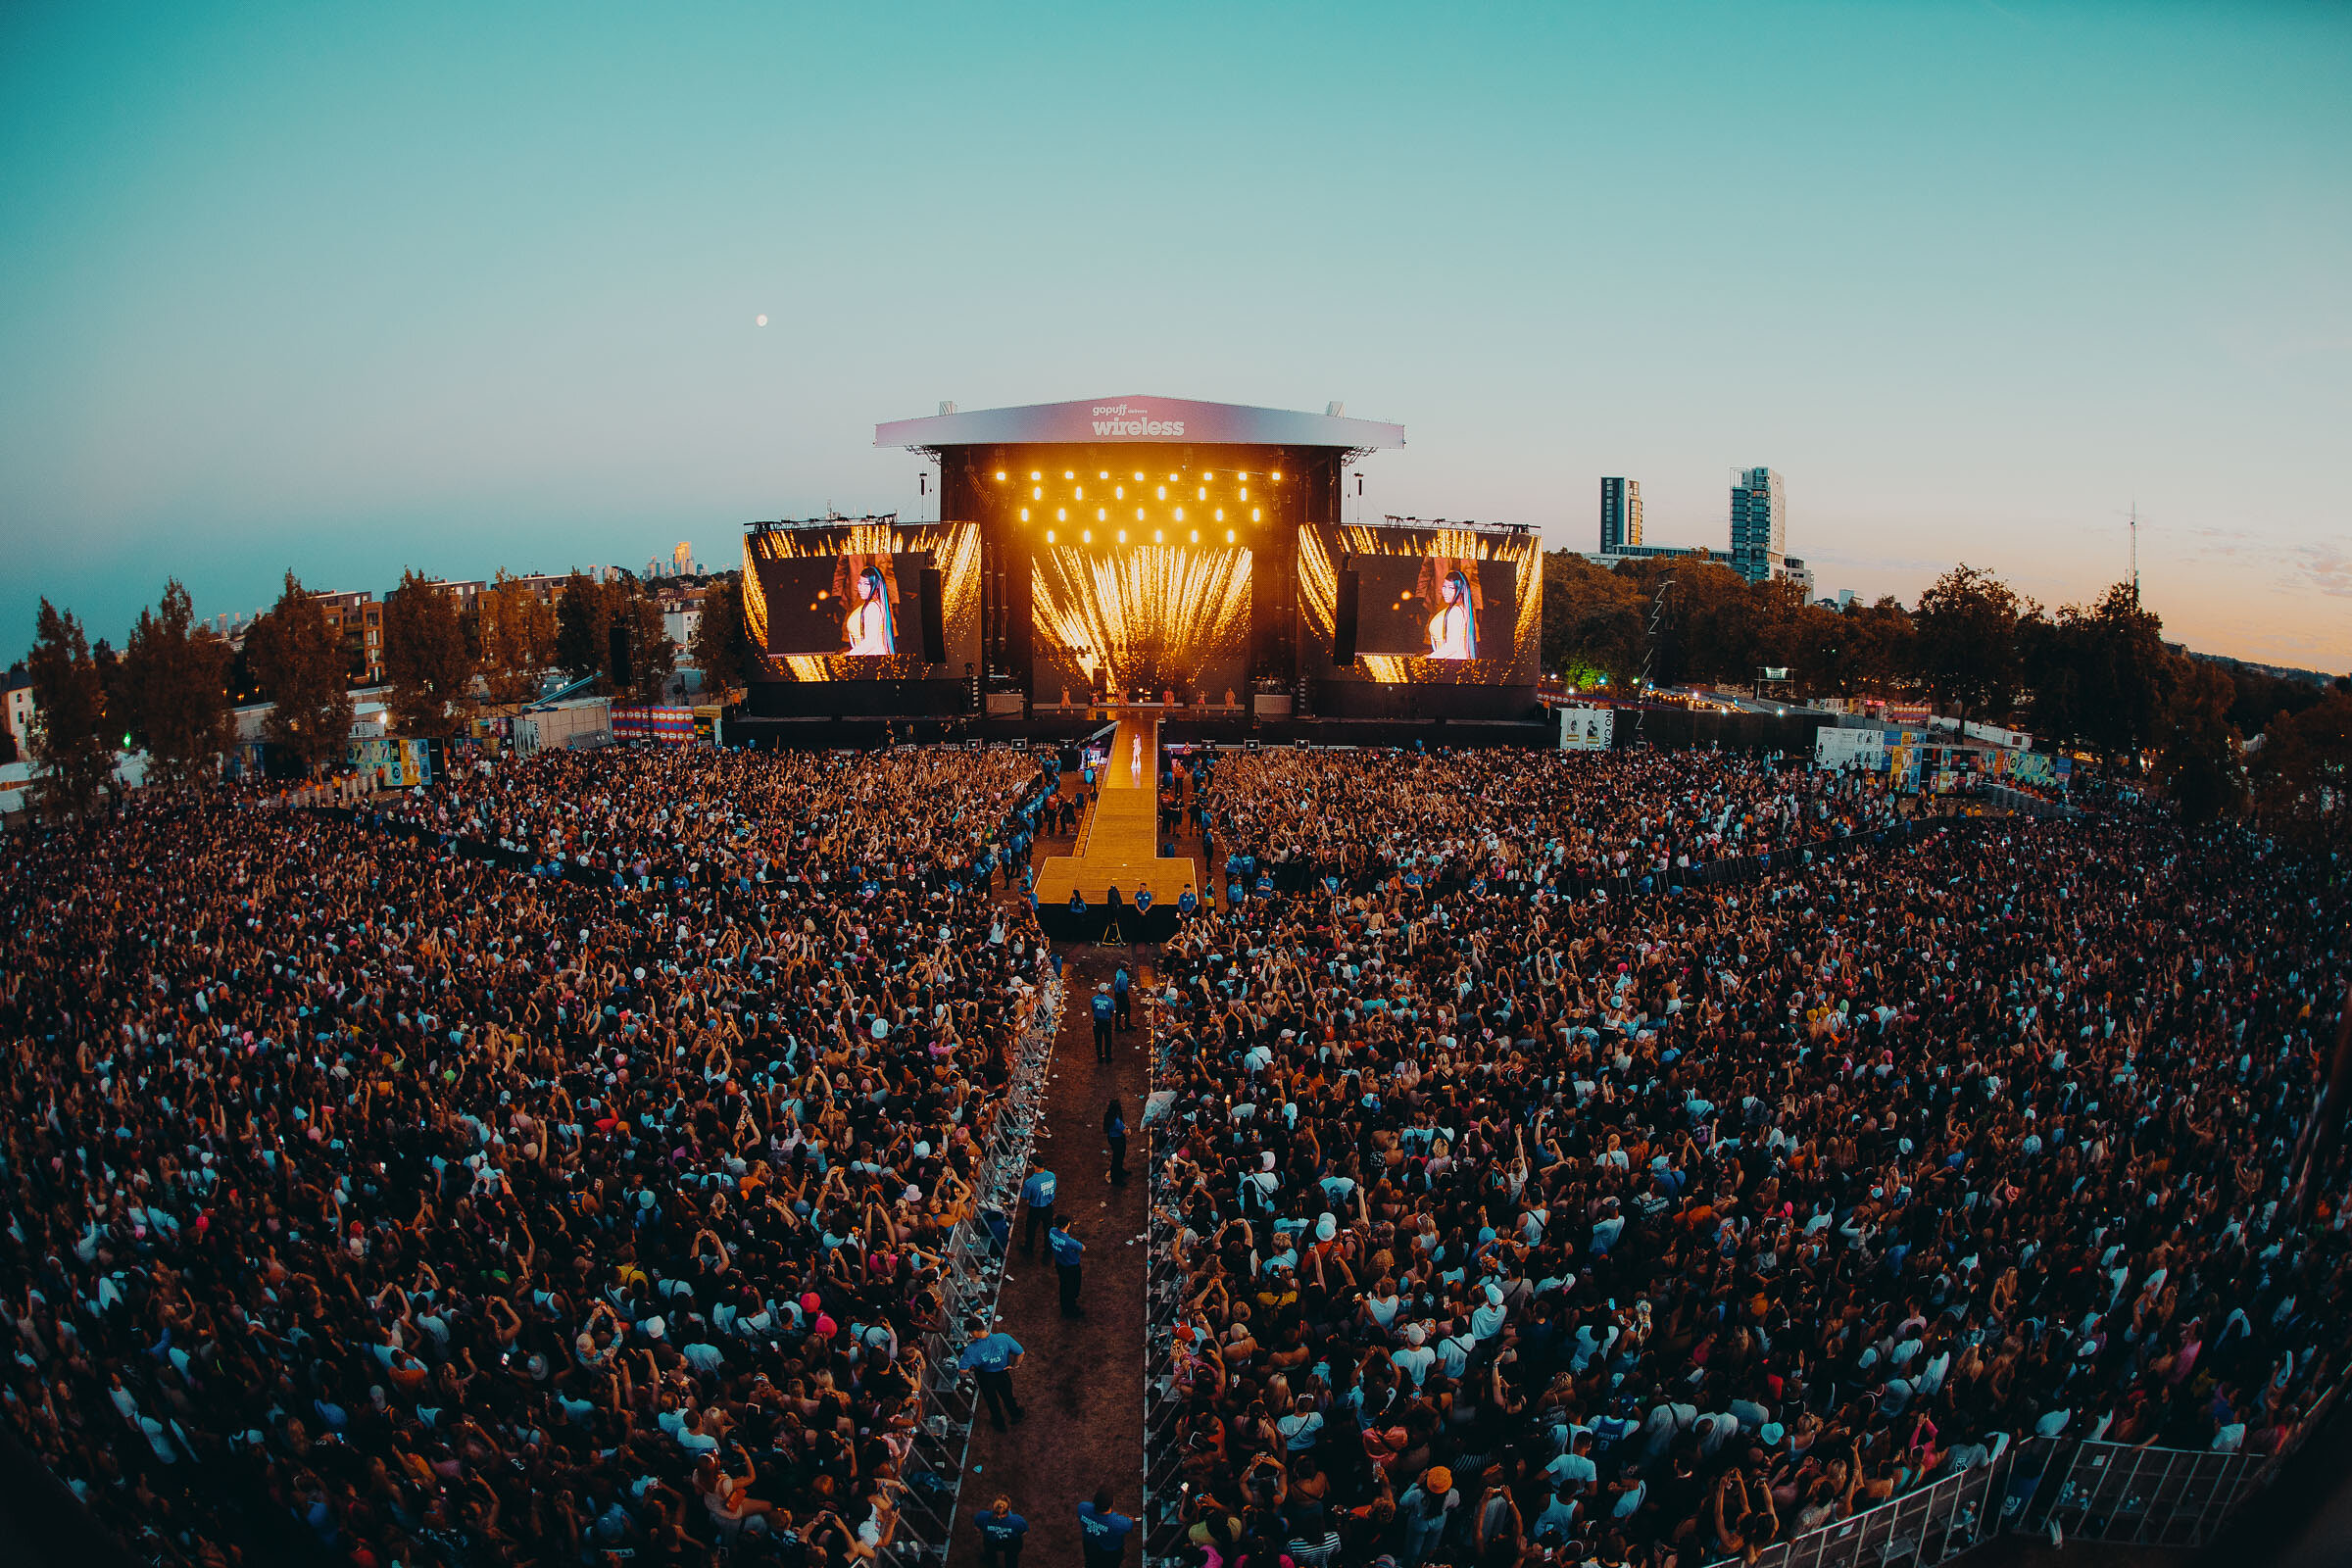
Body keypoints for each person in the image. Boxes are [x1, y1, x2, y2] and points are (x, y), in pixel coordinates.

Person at [958, 1319, 1028, 1431]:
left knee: (992, 1401)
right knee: (1008, 1396)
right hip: (1002, 1374)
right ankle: (1015, 1414)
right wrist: (1014, 1366)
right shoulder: (1003, 1338)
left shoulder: (971, 1350)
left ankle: (999, 1424)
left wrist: (974, 1365)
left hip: (985, 1377)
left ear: (975, 1331)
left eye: (971, 1333)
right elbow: (1021, 1353)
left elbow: (963, 1371)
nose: (971, 1335)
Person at [845, 563, 896, 655]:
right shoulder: (874, 604)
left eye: (866, 584)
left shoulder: (873, 607)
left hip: (872, 657)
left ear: (876, 585)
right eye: (859, 583)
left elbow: (870, 642)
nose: (861, 588)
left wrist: (849, 654)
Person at [1077, 1490, 1136, 1568]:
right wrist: (1130, 1520)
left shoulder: (1082, 1508)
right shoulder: (1119, 1523)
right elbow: (1129, 1524)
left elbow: (1087, 1507)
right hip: (1110, 1553)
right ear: (1112, 1504)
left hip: (1090, 1547)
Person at [1428, 567, 1476, 659]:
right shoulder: (1458, 608)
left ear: (1460, 590)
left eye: (1451, 588)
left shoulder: (1456, 611)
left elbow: (1451, 647)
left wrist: (1429, 657)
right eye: (1444, 587)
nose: (1445, 592)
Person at [975, 1494, 1029, 1568]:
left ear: (994, 1507)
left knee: (990, 1556)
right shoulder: (1018, 1521)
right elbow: (1024, 1533)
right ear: (1009, 1509)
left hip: (991, 1543)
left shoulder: (982, 1516)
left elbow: (977, 1529)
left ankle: (992, 1563)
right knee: (1011, 1559)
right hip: (1011, 1544)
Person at [1050, 1216, 1085, 1318]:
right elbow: (1083, 1248)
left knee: (1064, 1285)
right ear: (1067, 1225)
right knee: (1073, 1288)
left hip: (1060, 1264)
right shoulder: (1069, 1241)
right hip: (1071, 1267)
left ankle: (1065, 1306)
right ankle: (1070, 1310)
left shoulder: (1051, 1231)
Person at [1020, 1164, 1058, 1256]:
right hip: (1048, 1207)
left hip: (1035, 1209)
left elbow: (1026, 1197)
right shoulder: (1051, 1175)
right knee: (1048, 1230)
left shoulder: (1030, 1182)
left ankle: (1029, 1250)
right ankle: (1048, 1252)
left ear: (1034, 1166)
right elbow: (1054, 1188)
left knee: (1031, 1230)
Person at [1104, 1098, 1129, 1186]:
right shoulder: (1116, 1120)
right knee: (1118, 1158)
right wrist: (1127, 1129)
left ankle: (1120, 1171)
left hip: (1113, 1139)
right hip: (1118, 1140)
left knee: (1118, 1157)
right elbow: (1126, 1132)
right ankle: (1116, 1178)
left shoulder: (1109, 1116)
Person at [1093, 981, 1116, 1061]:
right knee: (1108, 1039)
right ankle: (1108, 1057)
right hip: (1106, 1022)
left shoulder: (1094, 999)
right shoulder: (1110, 1001)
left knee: (1098, 1040)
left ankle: (1100, 1057)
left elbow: (1093, 1009)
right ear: (1106, 991)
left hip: (1097, 1022)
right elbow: (1112, 1012)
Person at [1112, 962, 1133, 1030]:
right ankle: (1125, 1025)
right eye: (1127, 967)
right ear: (1124, 968)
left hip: (1117, 993)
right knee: (1125, 1009)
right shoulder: (1123, 977)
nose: (1129, 969)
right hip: (1122, 994)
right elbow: (1123, 989)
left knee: (1119, 1010)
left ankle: (1118, 1025)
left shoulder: (1119, 971)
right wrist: (1125, 999)